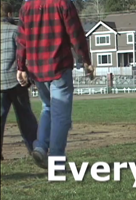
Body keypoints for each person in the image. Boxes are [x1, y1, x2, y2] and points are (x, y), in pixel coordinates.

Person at [16, 0, 94, 169]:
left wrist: (21, 66)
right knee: (61, 116)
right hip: (59, 66)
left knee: (48, 107)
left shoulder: (26, 8)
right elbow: (76, 34)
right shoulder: (63, 4)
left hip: (37, 69)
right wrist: (86, 60)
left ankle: (40, 146)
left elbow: (22, 40)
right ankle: (57, 159)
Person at [1, 1, 38, 161]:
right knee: (25, 117)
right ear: (9, 14)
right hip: (16, 80)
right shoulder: (16, 30)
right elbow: (25, 55)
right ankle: (35, 149)